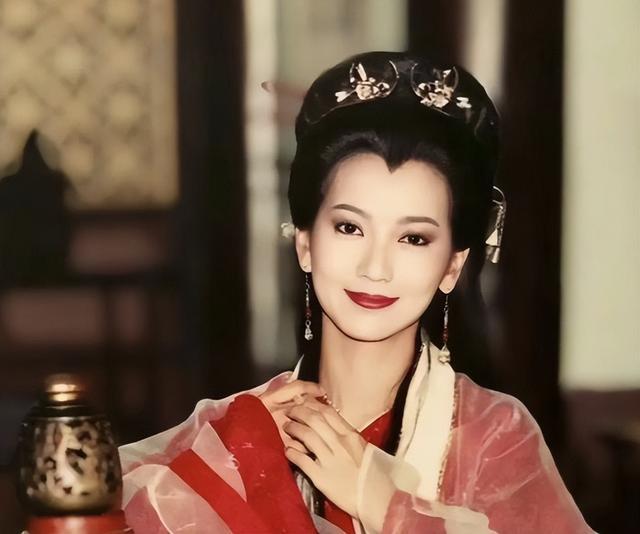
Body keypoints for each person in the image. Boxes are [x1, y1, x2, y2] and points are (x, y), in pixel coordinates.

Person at [119, 52, 594, 533]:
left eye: (414, 238)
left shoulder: (493, 434)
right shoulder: (235, 426)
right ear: (305, 244)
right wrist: (239, 452)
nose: (375, 268)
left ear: (452, 266)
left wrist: (383, 502)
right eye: (349, 227)